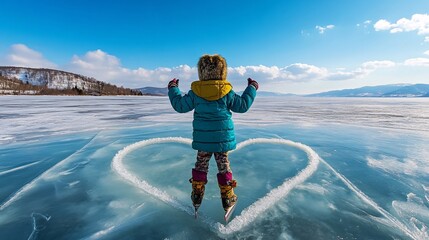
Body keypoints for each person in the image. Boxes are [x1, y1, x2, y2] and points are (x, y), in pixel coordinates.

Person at [167, 54, 258, 214]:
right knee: (223, 165)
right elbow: (242, 106)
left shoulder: (196, 92)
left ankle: (197, 194)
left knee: (201, 164)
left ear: (201, 72)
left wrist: (173, 88)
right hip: (222, 139)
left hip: (203, 140)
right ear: (222, 71)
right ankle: (227, 196)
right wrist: (252, 87)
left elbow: (180, 106)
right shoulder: (226, 91)